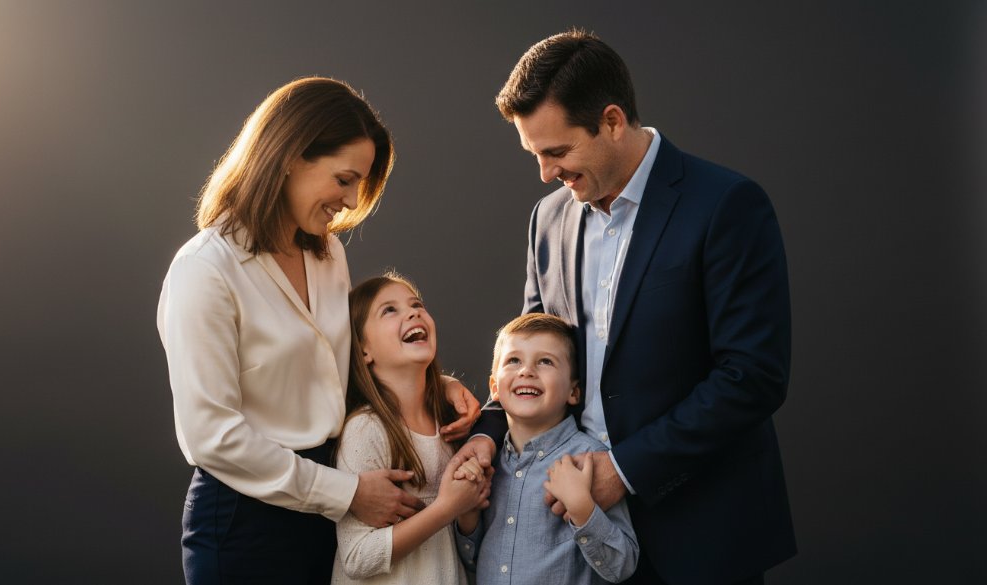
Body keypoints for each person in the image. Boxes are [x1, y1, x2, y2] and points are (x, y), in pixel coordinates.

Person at [457, 30, 796, 585]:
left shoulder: (727, 205)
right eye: (535, 154)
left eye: (557, 152)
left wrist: (624, 470)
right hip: (571, 536)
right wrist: (484, 433)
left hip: (701, 531)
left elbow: (753, 376)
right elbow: (530, 353)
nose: (545, 173)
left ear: (612, 121)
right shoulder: (548, 219)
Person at [157, 77, 479, 584]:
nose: (351, 202)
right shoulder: (205, 269)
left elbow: (338, 377)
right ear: (290, 156)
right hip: (246, 523)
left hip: (333, 512)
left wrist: (435, 388)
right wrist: (346, 493)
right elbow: (211, 437)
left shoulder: (328, 256)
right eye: (344, 179)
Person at [454, 313, 638, 584]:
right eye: (514, 360)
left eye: (545, 362)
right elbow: (474, 561)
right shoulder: (488, 464)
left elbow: (623, 565)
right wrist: (467, 516)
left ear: (573, 392)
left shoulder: (589, 461)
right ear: (494, 387)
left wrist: (582, 508)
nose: (526, 371)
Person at [332, 274, 488, 584]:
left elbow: (465, 542)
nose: (413, 312)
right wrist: (446, 508)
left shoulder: (452, 422)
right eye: (389, 310)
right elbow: (356, 557)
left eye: (417, 304)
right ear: (364, 351)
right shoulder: (365, 430)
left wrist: (468, 509)